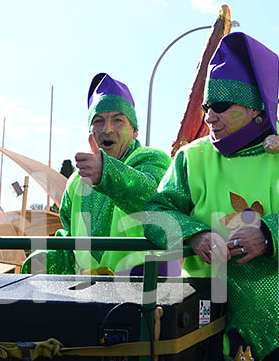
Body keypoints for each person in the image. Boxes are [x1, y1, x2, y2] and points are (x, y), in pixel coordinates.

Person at [144, 32, 279, 361]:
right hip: (215, 323)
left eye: (221, 106)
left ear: (254, 107)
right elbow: (155, 213)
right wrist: (195, 236)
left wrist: (269, 234)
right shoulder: (192, 159)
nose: (209, 117)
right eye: (207, 107)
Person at [23, 73, 172, 275]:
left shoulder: (153, 160)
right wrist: (44, 260)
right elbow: (69, 241)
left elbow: (153, 200)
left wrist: (107, 173)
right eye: (99, 121)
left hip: (145, 286)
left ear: (135, 130)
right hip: (91, 293)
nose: (107, 129)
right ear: (90, 130)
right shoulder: (76, 181)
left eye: (118, 120)